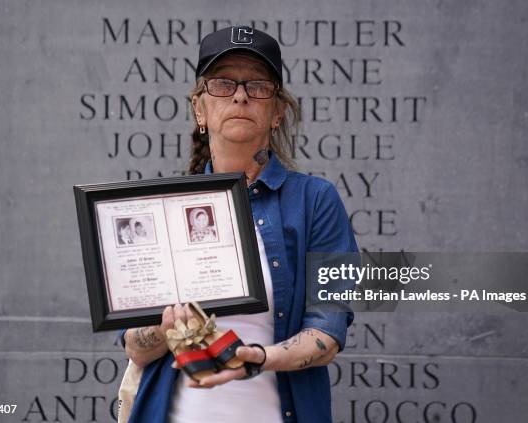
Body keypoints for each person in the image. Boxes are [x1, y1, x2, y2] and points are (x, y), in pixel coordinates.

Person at [119, 25, 358, 423]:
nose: (241, 95)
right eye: (223, 83)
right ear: (199, 107)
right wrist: (165, 329)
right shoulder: (163, 210)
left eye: (258, 86)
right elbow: (136, 349)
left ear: (277, 112)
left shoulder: (316, 201)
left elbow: (327, 332)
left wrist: (259, 358)